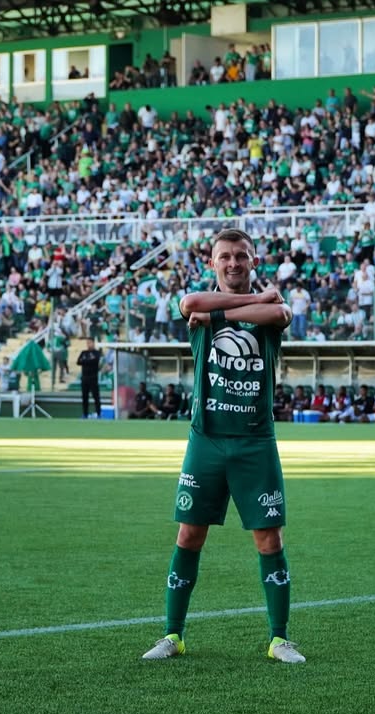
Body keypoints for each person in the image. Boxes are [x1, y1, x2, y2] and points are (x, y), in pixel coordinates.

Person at [141, 228, 303, 664]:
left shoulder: (265, 312)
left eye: (241, 256)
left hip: (255, 442)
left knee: (269, 539)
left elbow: (280, 313)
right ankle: (173, 635)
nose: (233, 263)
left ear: (253, 261)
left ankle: (279, 639)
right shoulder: (203, 305)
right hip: (206, 440)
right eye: (225, 257)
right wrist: (253, 300)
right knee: (189, 534)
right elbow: (189, 303)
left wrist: (224, 315)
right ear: (212, 263)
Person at [76, 338, 102, 418]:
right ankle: (85, 414)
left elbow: (95, 361)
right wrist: (88, 360)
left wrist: (85, 361)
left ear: (93, 343)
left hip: (93, 378)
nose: (88, 344)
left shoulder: (97, 353)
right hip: (84, 378)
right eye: (87, 343)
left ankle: (98, 413)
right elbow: (78, 362)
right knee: (84, 397)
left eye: (90, 342)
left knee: (96, 396)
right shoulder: (84, 352)